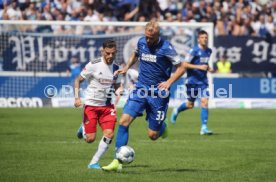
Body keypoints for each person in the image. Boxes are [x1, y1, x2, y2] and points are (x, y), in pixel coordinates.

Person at [102, 20, 186, 171]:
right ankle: (116, 161)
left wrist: (169, 82)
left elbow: (181, 67)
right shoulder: (141, 42)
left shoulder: (166, 47)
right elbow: (135, 54)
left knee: (153, 135)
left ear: (157, 35)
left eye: (151, 38)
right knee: (123, 122)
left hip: (158, 95)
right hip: (140, 89)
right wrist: (126, 67)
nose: (148, 40)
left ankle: (162, 126)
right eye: (146, 37)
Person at [74, 40, 121, 169]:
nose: (110, 56)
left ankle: (93, 162)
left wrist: (119, 91)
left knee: (109, 134)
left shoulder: (117, 69)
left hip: (107, 107)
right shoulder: (93, 65)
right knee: (90, 139)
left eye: (113, 53)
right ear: (102, 51)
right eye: (107, 53)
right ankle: (83, 127)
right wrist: (77, 98)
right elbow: (78, 80)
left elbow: (117, 87)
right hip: (91, 106)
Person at [170, 30, 213, 135]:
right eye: (202, 37)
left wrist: (208, 68)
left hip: (203, 81)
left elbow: (204, 63)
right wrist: (199, 67)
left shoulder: (209, 51)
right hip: (192, 81)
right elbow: (184, 64)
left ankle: (204, 127)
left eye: (206, 37)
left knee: (205, 101)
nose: (204, 39)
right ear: (198, 39)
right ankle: (177, 110)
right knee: (190, 105)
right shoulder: (193, 51)